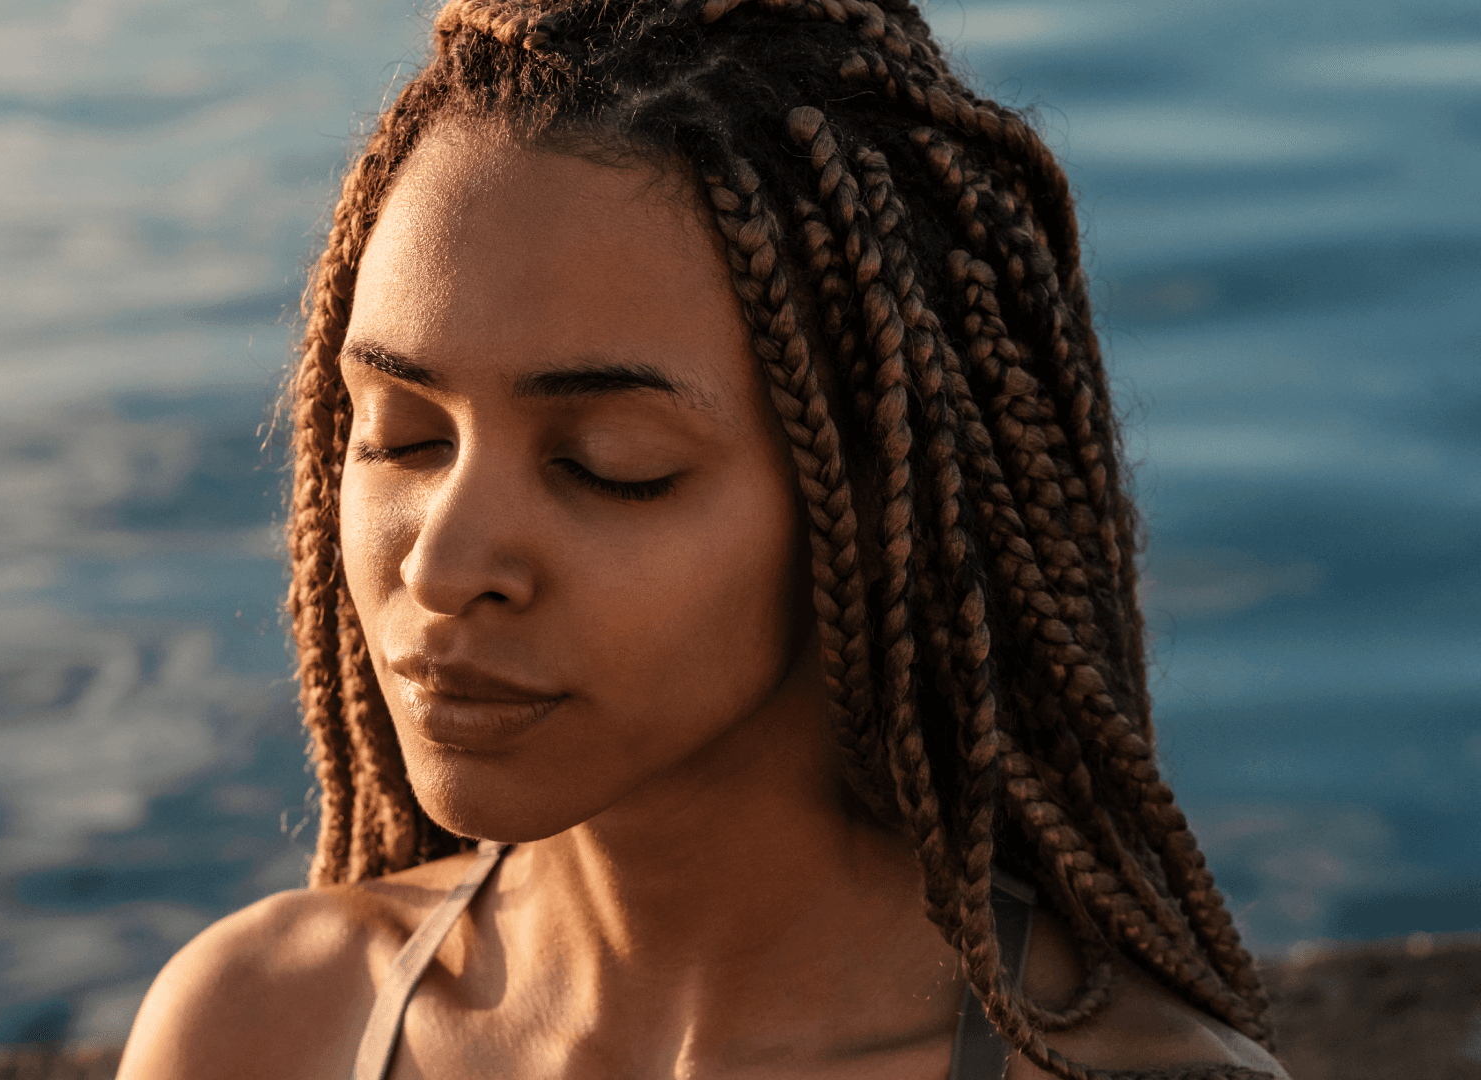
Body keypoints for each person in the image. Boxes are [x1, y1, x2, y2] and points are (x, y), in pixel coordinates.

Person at [116, 1, 1289, 1077]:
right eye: (403, 436)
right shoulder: (254, 1029)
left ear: (874, 508)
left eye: (608, 466)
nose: (442, 565)